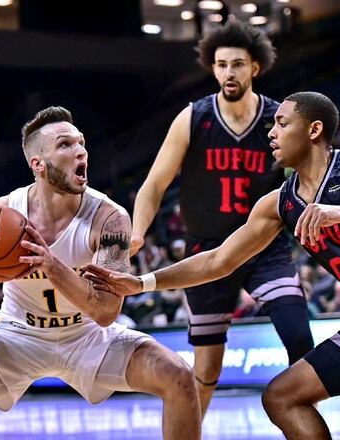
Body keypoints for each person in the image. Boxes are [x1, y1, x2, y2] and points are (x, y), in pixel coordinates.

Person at [84, 92, 340, 439]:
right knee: (281, 396)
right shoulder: (279, 203)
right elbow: (218, 260)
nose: (271, 132)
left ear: (314, 129)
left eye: (282, 123)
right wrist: (142, 282)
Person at [0, 106, 201, 440]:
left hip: (87, 336)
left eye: (81, 143)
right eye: (65, 144)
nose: (80, 151)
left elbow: (106, 312)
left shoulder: (109, 218)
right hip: (17, 334)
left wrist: (52, 265)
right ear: (39, 164)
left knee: (179, 376)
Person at [129, 19, 313, 416]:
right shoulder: (193, 118)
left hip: (263, 245)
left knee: (300, 338)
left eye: (237, 64)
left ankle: (303, 425)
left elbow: (309, 174)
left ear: (255, 67)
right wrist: (137, 232)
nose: (229, 72)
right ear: (212, 69)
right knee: (207, 368)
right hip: (206, 250)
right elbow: (155, 184)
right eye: (221, 64)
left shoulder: (278, 119)